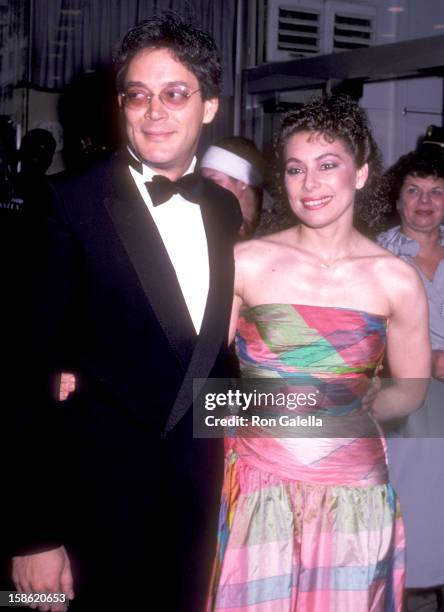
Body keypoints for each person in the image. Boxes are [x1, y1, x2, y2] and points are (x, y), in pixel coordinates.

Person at [9, 12, 240, 612]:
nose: (154, 111)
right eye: (137, 95)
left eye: (174, 94)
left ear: (210, 105)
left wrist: (320, 410)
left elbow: (210, 364)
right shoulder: (67, 203)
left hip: (197, 500)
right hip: (93, 507)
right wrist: (32, 534)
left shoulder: (222, 209)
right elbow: (21, 374)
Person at [206, 95, 430, 611]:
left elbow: (412, 390)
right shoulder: (246, 262)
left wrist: (363, 403)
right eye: (295, 169)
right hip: (257, 485)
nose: (310, 185)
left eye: (328, 166)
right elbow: (194, 371)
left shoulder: (396, 279)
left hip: (353, 492)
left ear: (360, 173)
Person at [377, 145, 444, 604]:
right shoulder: (376, 255)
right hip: (408, 399)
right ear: (397, 198)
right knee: (413, 512)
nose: (424, 202)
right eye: (414, 191)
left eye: (437, 192)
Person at [200, 136, 265, 239]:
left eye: (213, 181)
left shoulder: (277, 230)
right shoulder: (207, 222)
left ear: (243, 182)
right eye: (203, 182)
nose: (204, 189)